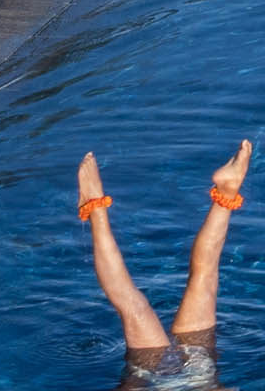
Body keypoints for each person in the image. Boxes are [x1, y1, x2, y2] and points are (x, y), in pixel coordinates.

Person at [78, 142, 246, 361]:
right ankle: (95, 204)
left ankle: (228, 193)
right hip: (158, 375)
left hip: (189, 374)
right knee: (131, 304)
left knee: (203, 279)